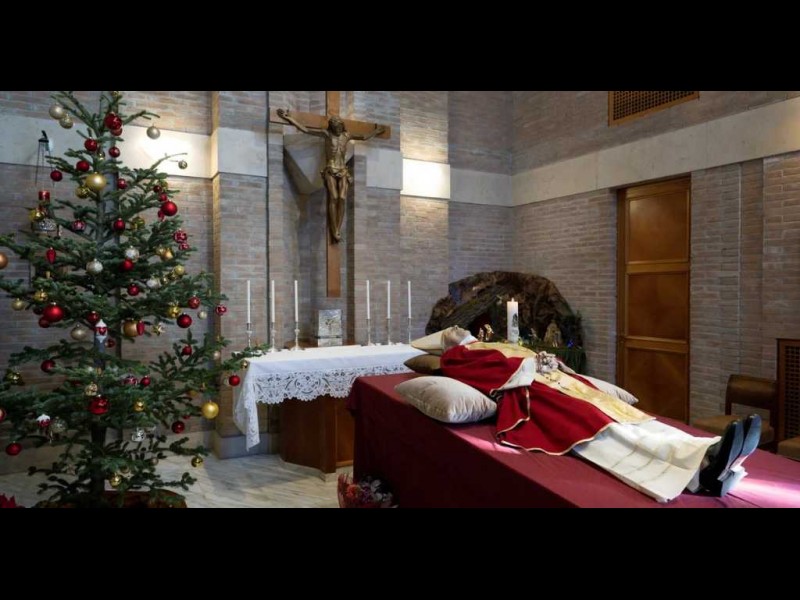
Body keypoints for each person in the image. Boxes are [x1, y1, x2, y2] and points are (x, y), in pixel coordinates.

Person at [418, 326, 761, 502]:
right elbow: (488, 376)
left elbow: (534, 357)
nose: (461, 331)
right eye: (454, 332)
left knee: (627, 414)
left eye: (460, 329)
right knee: (597, 425)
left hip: (560, 382)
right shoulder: (457, 356)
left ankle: (706, 448)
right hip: (536, 394)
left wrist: (549, 362)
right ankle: (698, 472)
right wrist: (531, 366)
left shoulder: (491, 342)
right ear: (448, 341)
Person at [277, 109, 385, 243]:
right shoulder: (326, 134)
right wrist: (290, 118)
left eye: (339, 126)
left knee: (342, 198)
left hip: (343, 170)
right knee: (333, 197)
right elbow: (305, 130)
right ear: (331, 127)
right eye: (334, 126)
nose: (337, 128)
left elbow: (363, 137)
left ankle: (337, 228)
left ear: (341, 125)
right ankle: (334, 229)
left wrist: (375, 131)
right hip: (330, 169)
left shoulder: (346, 135)